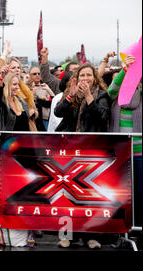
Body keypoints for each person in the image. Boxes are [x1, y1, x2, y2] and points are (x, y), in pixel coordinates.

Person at [54, 64, 110, 249]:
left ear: (95, 77)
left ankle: (90, 236)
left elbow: (102, 117)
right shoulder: (72, 93)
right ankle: (66, 235)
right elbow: (58, 113)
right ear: (77, 78)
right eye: (82, 75)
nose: (85, 78)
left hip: (91, 150)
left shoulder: (101, 95)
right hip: (69, 149)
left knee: (89, 197)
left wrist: (88, 97)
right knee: (66, 195)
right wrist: (70, 96)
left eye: (89, 75)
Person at [107, 55, 142, 232]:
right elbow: (112, 89)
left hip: (138, 155)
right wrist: (125, 70)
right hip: (118, 155)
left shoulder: (141, 97)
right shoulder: (113, 99)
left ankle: (137, 229)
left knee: (139, 194)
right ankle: (120, 230)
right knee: (119, 195)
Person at [27, 66, 54, 131]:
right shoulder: (25, 88)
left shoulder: (44, 87)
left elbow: (52, 103)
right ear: (29, 76)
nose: (37, 75)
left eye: (39, 74)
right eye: (34, 74)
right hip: (32, 119)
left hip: (46, 118)